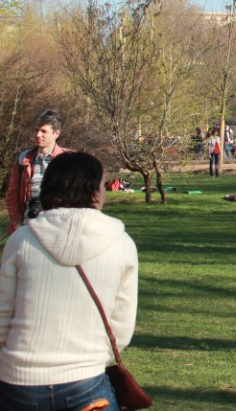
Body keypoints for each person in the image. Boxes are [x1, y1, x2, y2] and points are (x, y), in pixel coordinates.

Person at [0, 151, 138, 410]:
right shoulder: (122, 244)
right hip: (85, 378)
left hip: (19, 380)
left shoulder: (21, 241)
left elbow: (2, 316)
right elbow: (121, 327)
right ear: (93, 190)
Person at [5, 109, 73, 234]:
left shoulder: (69, 159)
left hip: (58, 231)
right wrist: (17, 223)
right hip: (27, 229)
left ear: (56, 133)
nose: (38, 135)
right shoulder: (24, 159)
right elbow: (12, 195)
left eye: (43, 131)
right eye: (36, 130)